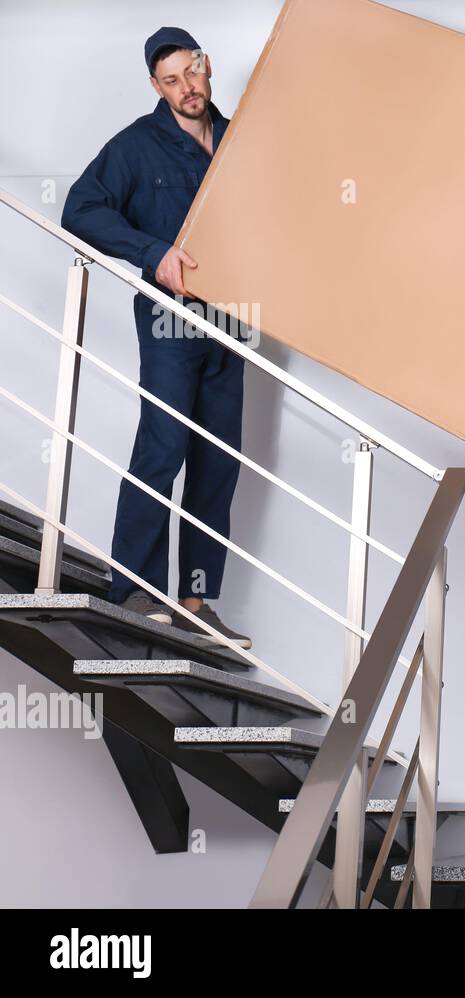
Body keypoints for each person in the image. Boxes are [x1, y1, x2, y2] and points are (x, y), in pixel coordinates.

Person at [61, 27, 252, 649]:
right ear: (155, 85)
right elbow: (81, 210)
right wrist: (153, 252)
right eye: (170, 81)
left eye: (191, 74)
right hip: (170, 320)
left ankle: (195, 603)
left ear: (207, 66)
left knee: (218, 462)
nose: (185, 89)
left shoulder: (239, 138)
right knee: (162, 448)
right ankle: (135, 593)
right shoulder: (136, 147)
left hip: (232, 319)